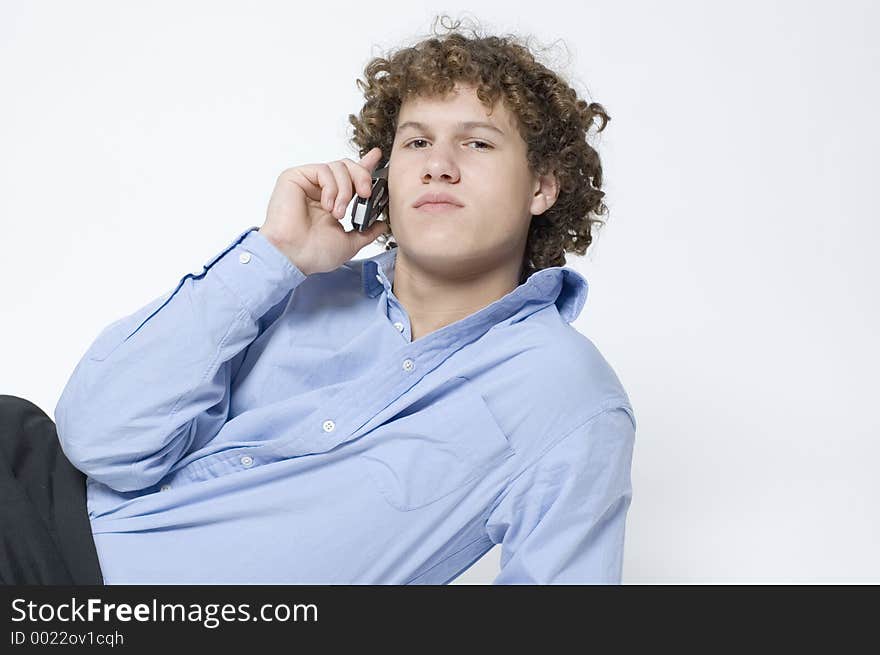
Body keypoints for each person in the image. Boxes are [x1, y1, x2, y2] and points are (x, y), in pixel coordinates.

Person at [1, 15, 636, 585]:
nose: (438, 164)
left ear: (543, 188)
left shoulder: (568, 399)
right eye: (416, 142)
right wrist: (276, 254)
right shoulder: (291, 287)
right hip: (36, 494)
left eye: (477, 142)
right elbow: (100, 443)